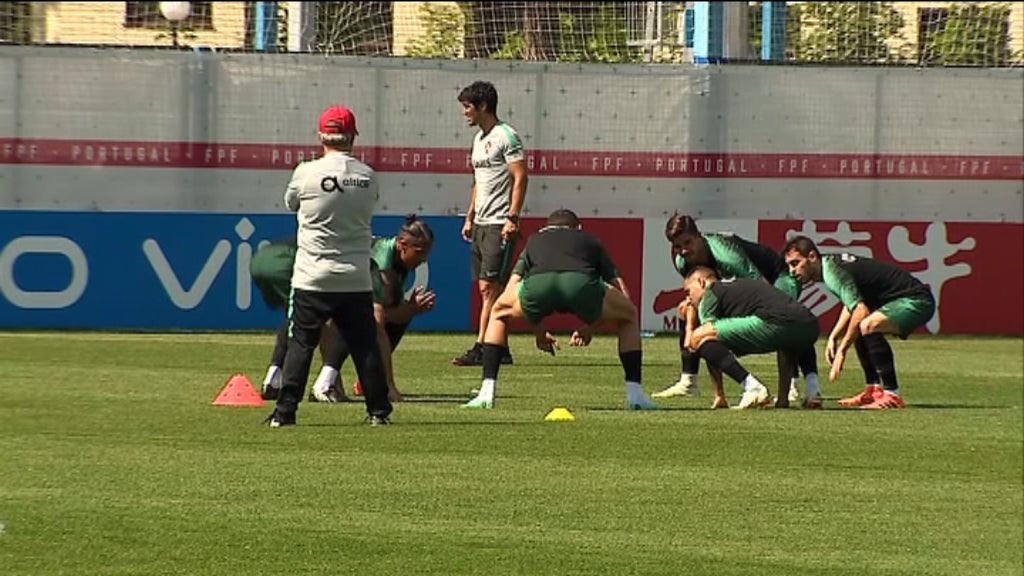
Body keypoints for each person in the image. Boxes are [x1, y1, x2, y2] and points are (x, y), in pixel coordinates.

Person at [264, 104, 392, 427]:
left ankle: (285, 413)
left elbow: (290, 203)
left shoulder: (305, 172)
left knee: (301, 343)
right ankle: (378, 412)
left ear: (321, 137)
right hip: (354, 278)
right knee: (365, 345)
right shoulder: (367, 176)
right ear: (352, 137)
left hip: (312, 276)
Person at [461, 209, 658, 411]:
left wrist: (538, 330)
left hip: (539, 285)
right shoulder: (590, 240)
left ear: (546, 228)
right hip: (580, 284)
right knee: (629, 315)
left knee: (498, 313)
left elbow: (512, 287)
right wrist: (592, 326)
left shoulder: (534, 240)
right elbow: (623, 292)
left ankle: (486, 393)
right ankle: (635, 395)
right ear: (578, 228)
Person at [653, 213, 822, 408]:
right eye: (677, 246)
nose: (683, 251)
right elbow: (696, 297)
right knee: (695, 317)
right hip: (750, 289)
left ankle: (807, 385)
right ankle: (691, 381)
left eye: (687, 243)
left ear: (699, 236)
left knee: (788, 318)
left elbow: (761, 287)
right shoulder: (682, 261)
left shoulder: (726, 255)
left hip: (776, 276)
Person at [783, 236, 936, 410]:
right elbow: (852, 304)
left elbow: (860, 310)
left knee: (867, 325)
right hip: (906, 299)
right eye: (789, 265)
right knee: (860, 325)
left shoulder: (831, 272)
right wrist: (834, 336)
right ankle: (874, 389)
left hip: (917, 301)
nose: (792, 271)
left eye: (795, 263)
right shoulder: (831, 266)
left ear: (811, 257)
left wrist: (842, 350)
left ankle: (892, 394)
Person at [452, 80, 528, 368]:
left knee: (489, 288)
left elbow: (520, 177)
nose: (464, 113)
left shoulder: (507, 136)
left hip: (499, 223)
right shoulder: (478, 140)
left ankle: (483, 347)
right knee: (489, 289)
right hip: (481, 223)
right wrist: (470, 216)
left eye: (468, 107)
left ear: (483, 106)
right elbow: (479, 182)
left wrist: (512, 217)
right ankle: (501, 348)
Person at [680, 266, 821, 410]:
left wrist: (690, 321)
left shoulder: (711, 293)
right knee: (790, 341)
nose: (688, 298)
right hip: (810, 325)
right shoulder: (738, 284)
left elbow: (693, 342)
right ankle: (809, 391)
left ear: (701, 282)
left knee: (700, 338)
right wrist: (719, 396)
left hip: (773, 323)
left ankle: (752, 387)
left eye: (689, 291)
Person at [341, 215, 438, 401]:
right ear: (403, 245)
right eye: (419, 252)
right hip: (338, 298)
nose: (423, 259)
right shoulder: (383, 262)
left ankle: (368, 378)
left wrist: (411, 309)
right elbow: (377, 318)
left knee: (401, 316)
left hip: (357, 302)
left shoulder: (401, 260)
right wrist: (389, 387)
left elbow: (392, 312)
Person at [250, 236, 349, 404]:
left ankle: (273, 378)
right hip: (285, 262)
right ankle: (325, 384)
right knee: (339, 318)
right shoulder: (356, 251)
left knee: (296, 316)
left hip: (260, 259)